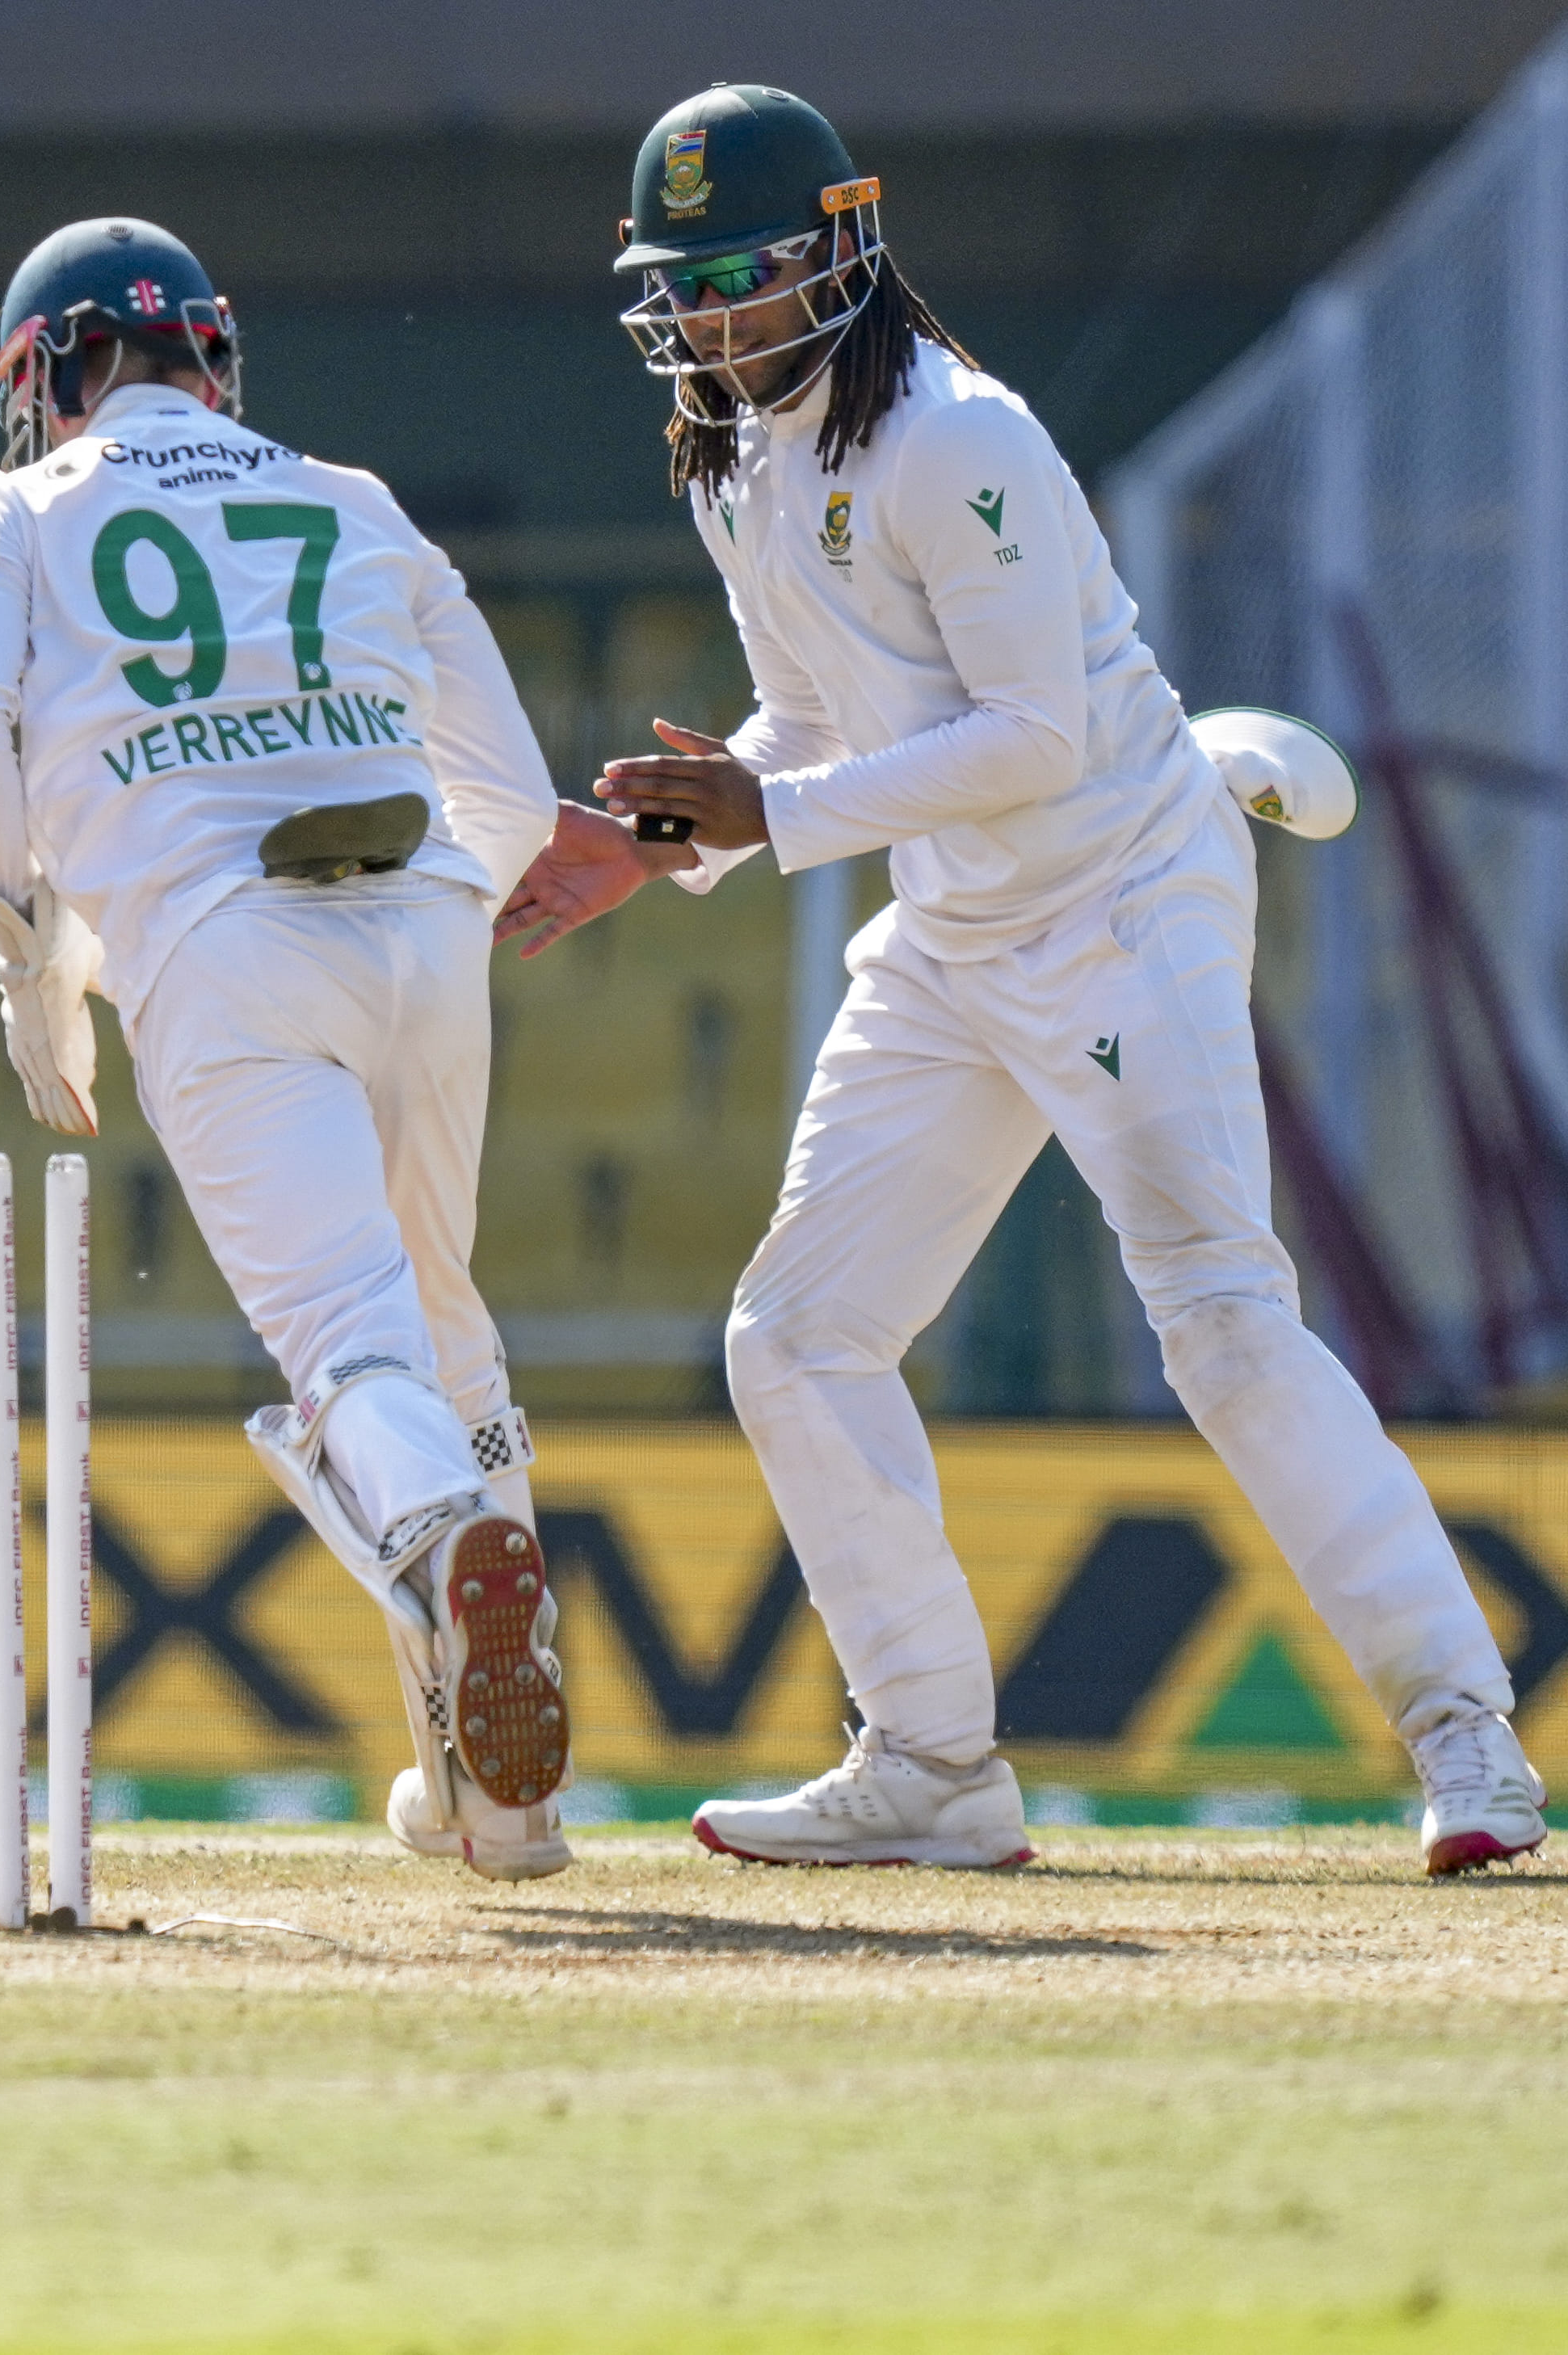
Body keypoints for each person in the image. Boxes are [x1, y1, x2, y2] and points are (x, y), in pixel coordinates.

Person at [498, 84, 1547, 1876]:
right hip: (957, 930)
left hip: (1124, 893)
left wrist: (772, 809)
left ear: (841, 249)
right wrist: (682, 840)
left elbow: (1035, 737)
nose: (717, 320)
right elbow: (826, 724)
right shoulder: (735, 460)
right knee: (796, 1335)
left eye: (747, 277)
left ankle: (1472, 1741)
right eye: (689, 285)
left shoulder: (954, 438)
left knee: (1220, 1321)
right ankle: (932, 1761)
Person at [0, 217, 570, 1881]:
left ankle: (462, 1537)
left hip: (218, 941)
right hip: (427, 913)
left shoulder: (21, 505)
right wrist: (423, 924)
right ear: (213, 356)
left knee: (356, 1355)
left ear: (50, 374)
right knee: (441, 1321)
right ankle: (501, 1803)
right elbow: (507, 788)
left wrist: (29, 943)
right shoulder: (355, 497)